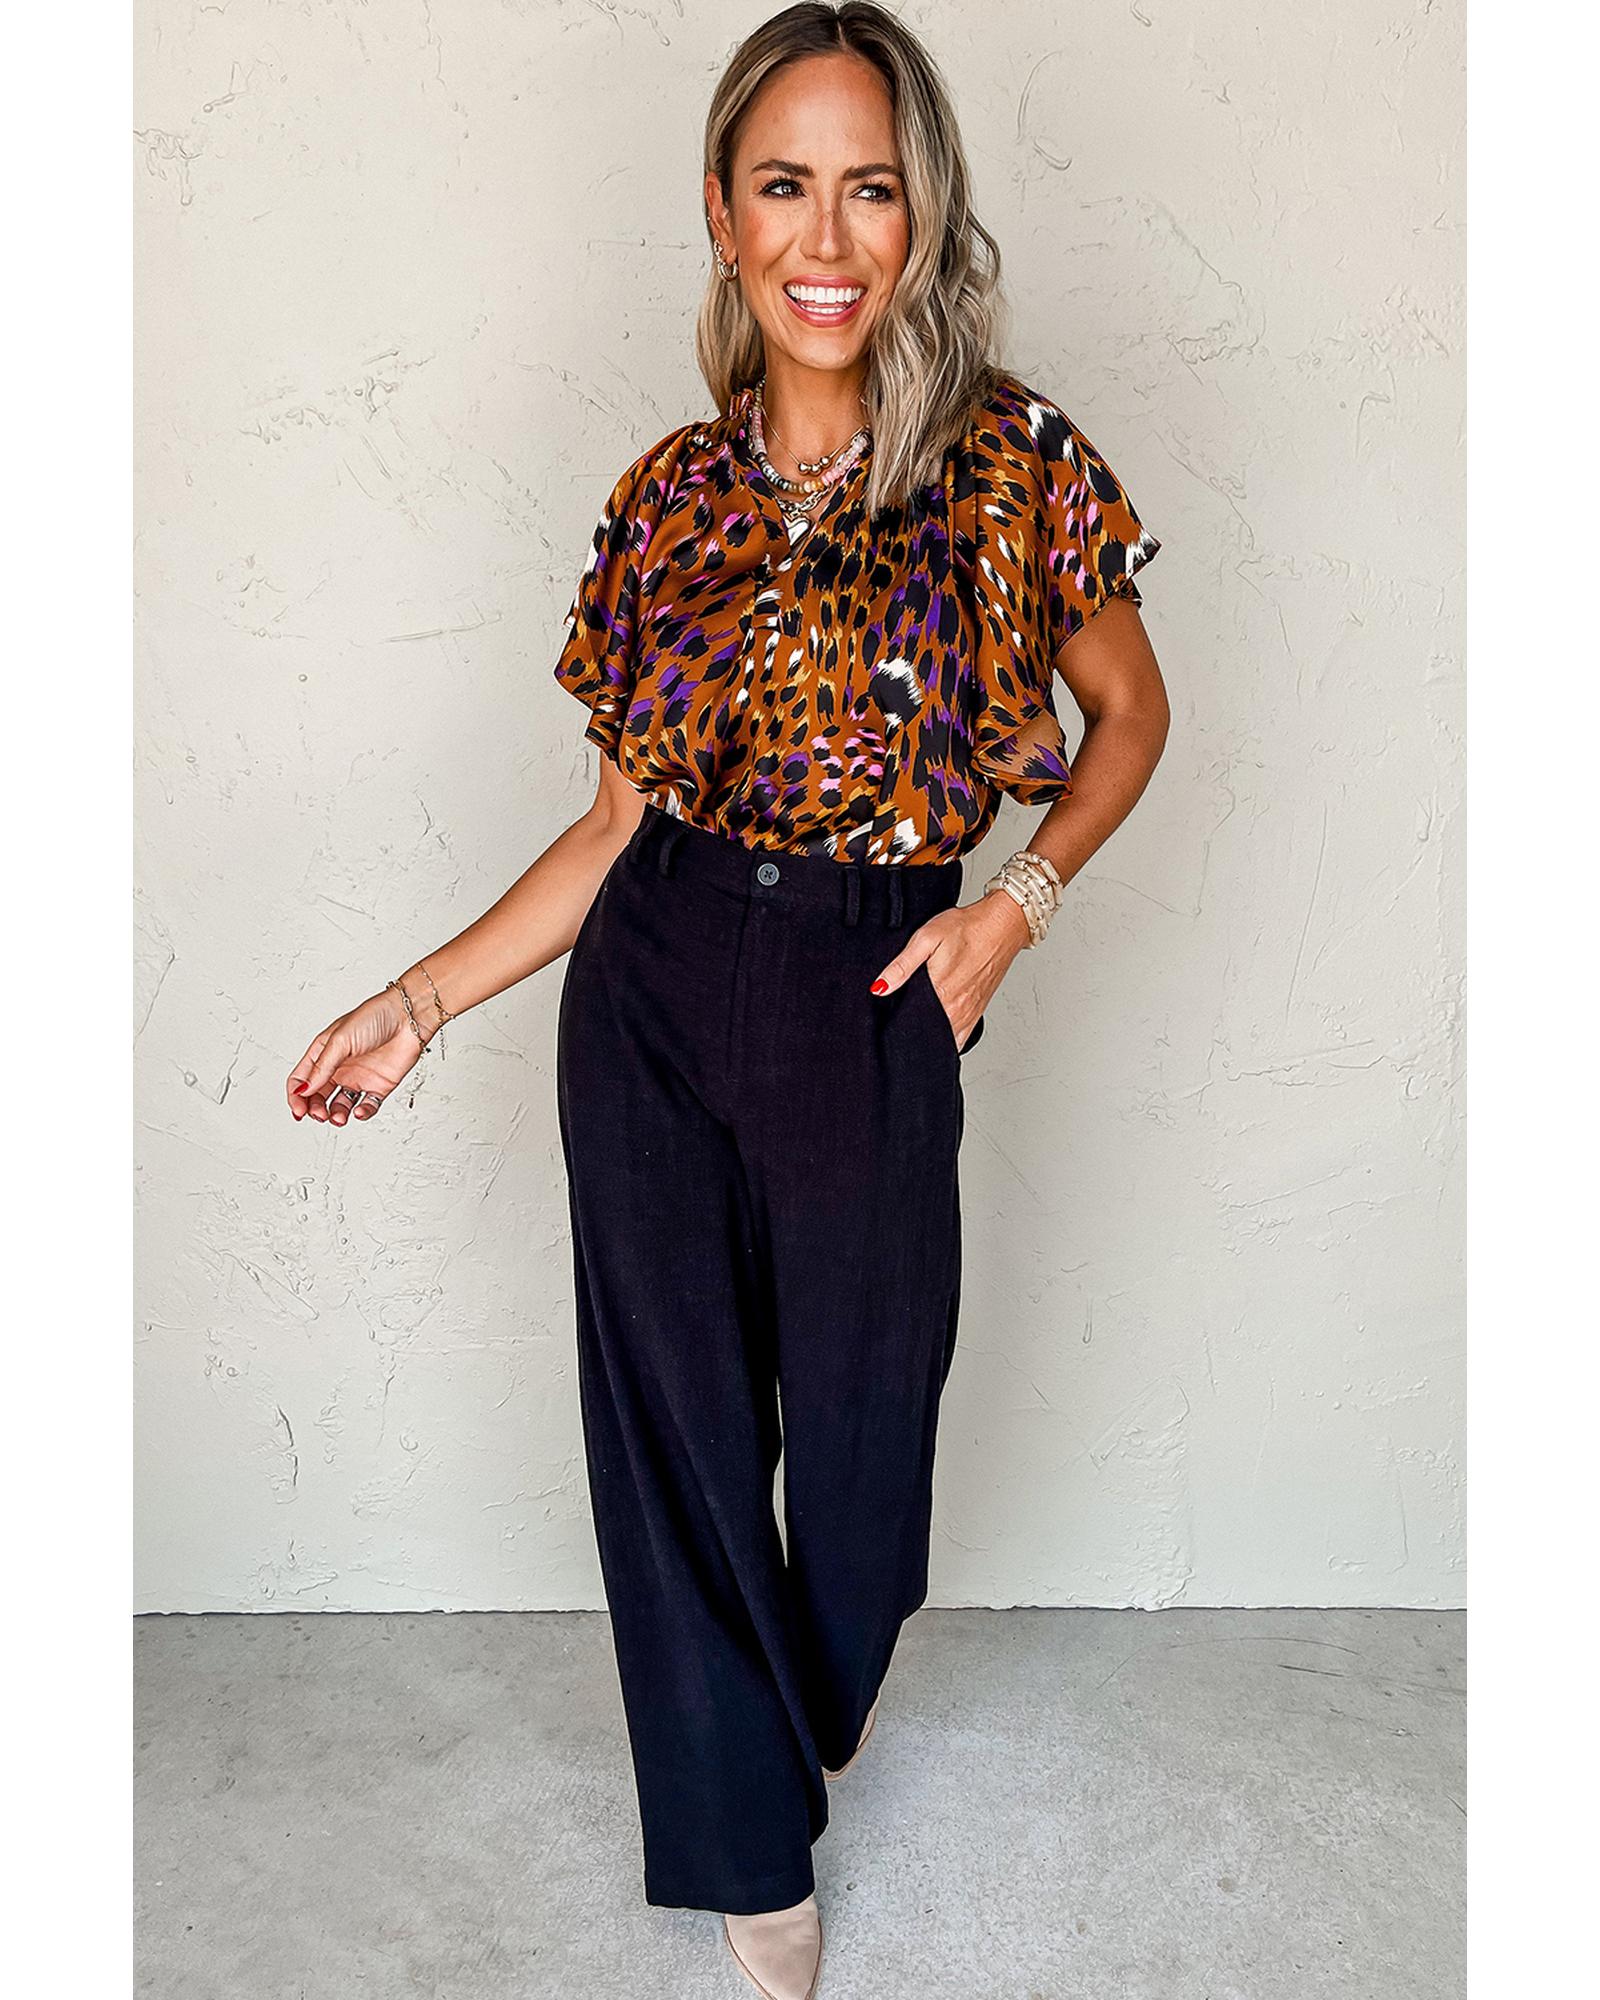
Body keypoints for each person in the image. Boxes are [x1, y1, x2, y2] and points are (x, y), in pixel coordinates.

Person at [285, 4, 1169, 1993]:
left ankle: (775, 1727)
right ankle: (745, 1848)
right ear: (721, 213)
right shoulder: (667, 498)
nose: (826, 237)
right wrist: (421, 1002)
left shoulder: (1015, 464)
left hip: (879, 978)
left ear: (922, 216)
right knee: (675, 1436)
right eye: (785, 186)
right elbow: (613, 825)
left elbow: (1129, 717)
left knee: (861, 1466)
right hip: (660, 987)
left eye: (871, 188)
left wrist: (1010, 909)